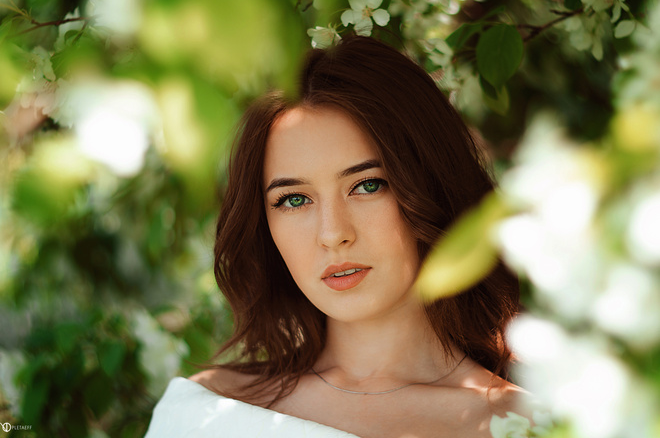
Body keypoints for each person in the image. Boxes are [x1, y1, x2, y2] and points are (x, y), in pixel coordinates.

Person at [144, 35, 527, 438]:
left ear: (430, 186)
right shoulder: (204, 414)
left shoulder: (529, 426)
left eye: (367, 185)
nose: (333, 234)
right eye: (294, 199)